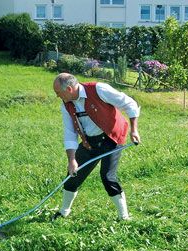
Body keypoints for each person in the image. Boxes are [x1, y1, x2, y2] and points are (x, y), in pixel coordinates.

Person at [52, 73, 140, 221]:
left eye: (58, 93)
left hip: (111, 138)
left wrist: (134, 129)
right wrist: (72, 160)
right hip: (89, 142)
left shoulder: (99, 89)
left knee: (107, 177)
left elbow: (129, 104)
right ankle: (64, 212)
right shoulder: (66, 105)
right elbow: (70, 133)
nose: (57, 96)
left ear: (68, 89)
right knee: (73, 175)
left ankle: (124, 217)